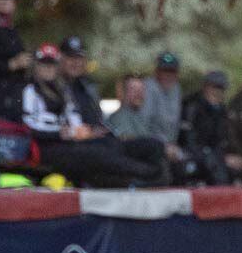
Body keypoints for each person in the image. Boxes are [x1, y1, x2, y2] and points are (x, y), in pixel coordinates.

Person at [21, 45, 164, 187]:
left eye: (52, 64)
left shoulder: (63, 91)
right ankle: (145, 174)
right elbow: (30, 125)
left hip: (72, 141)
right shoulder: (30, 90)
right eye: (44, 64)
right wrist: (61, 133)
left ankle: (146, 175)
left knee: (111, 143)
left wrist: (85, 132)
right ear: (36, 66)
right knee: (95, 153)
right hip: (49, 146)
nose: (48, 68)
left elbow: (73, 118)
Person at [180, 70, 242, 184]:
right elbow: (188, 140)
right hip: (194, 154)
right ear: (206, 87)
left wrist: (227, 155)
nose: (218, 92)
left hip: (214, 155)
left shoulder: (222, 111)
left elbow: (223, 140)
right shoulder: (191, 106)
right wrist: (217, 157)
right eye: (215, 87)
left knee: (236, 168)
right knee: (213, 165)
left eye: (221, 88)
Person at [141, 52, 184, 148]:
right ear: (157, 72)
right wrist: (164, 146)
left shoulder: (176, 89)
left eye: (172, 71)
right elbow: (144, 125)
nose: (168, 75)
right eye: (165, 71)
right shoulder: (148, 88)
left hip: (170, 146)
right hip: (150, 145)